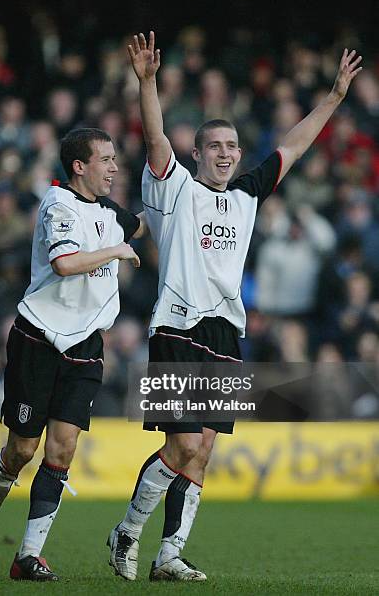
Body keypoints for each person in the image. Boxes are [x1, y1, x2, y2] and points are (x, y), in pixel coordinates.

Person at [108, 32, 362, 582]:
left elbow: (292, 147)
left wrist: (335, 98)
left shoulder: (248, 194)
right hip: (177, 325)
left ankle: (168, 554)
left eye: (232, 147)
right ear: (197, 154)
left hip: (226, 330)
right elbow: (155, 141)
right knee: (180, 445)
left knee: (203, 451)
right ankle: (126, 532)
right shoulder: (174, 189)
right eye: (215, 147)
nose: (225, 154)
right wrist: (149, 84)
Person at [0, 127, 146, 581]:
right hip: (39, 339)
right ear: (80, 166)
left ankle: (28, 556)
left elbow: (140, 223)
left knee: (62, 448)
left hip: (86, 344)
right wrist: (116, 251)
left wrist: (178, 197)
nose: (114, 166)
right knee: (22, 449)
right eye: (106, 159)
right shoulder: (57, 204)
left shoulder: (108, 211)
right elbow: (64, 263)